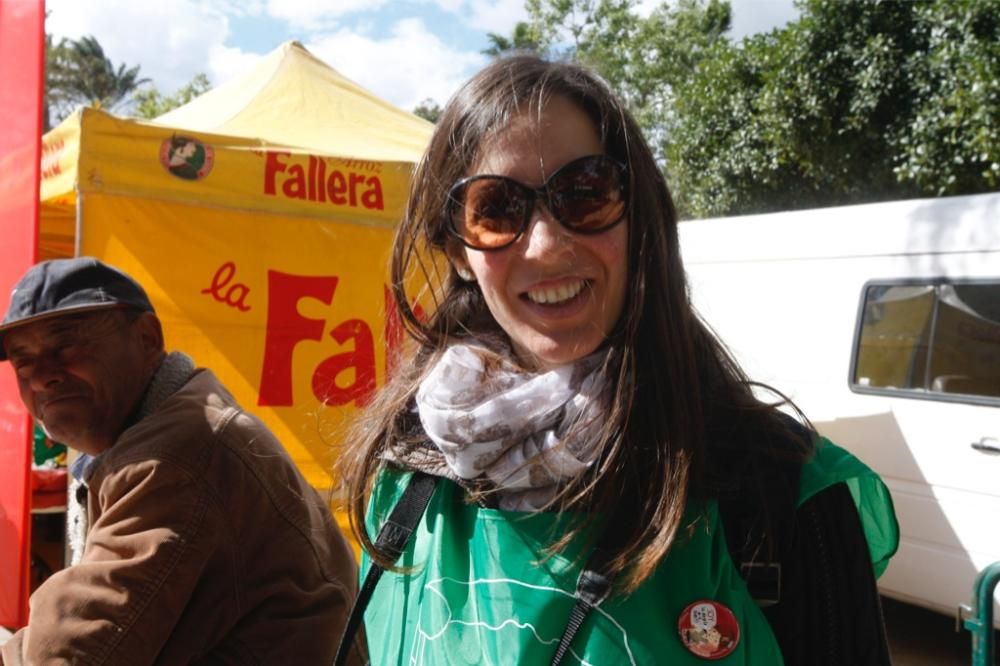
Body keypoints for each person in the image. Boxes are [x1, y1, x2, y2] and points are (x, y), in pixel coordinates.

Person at [337, 56, 899, 665]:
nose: (548, 244)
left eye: (585, 193)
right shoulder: (404, 472)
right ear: (456, 249)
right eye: (497, 208)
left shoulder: (773, 490)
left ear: (640, 218)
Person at [0, 257, 362, 665]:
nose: (40, 376)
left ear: (147, 338)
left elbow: (68, 655)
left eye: (65, 344)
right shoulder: (169, 426)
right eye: (22, 359)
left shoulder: (176, 455)